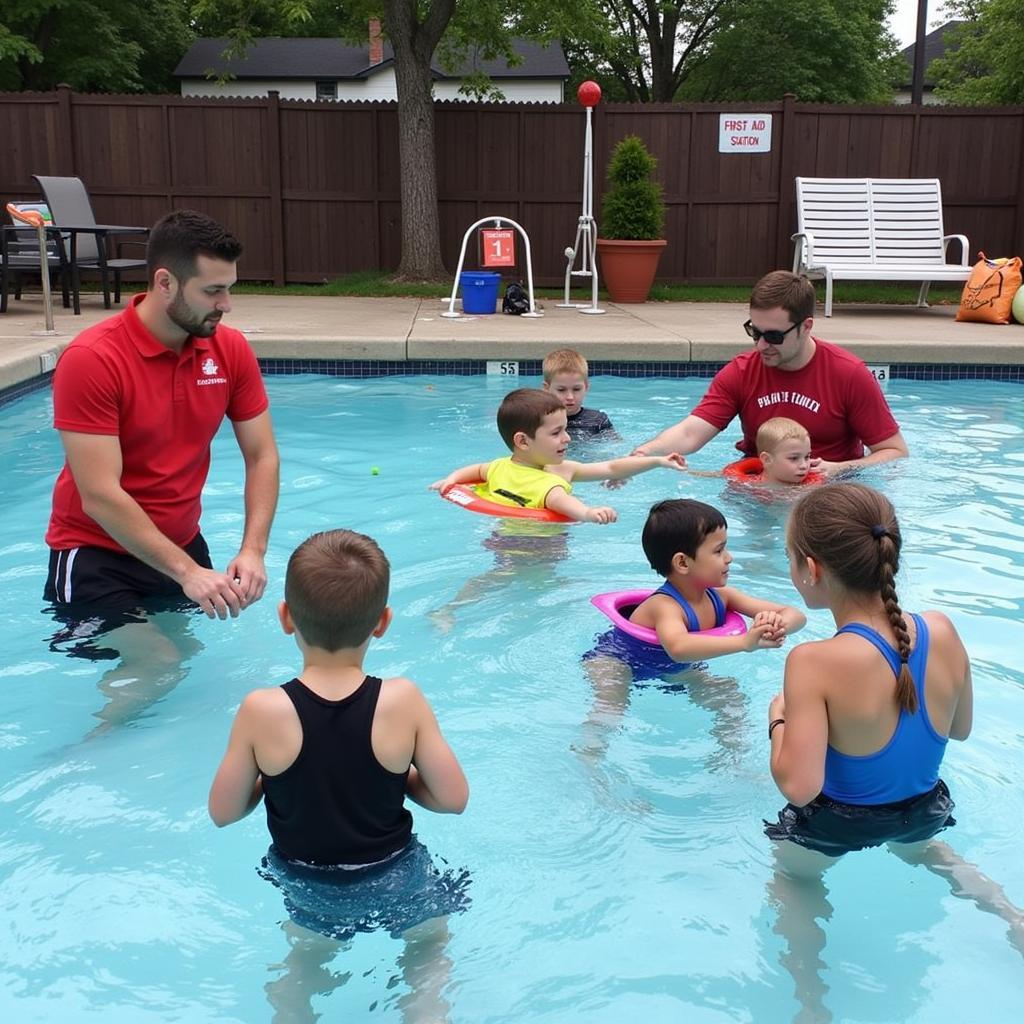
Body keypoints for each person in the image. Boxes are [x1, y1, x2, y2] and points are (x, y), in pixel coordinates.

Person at [764, 483, 1023, 1017]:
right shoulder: (941, 630)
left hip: (837, 822)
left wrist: (779, 718)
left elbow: (799, 784)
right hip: (924, 808)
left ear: (810, 569)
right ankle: (1011, 917)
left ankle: (811, 1004)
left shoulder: (814, 661)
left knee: (792, 879)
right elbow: (963, 729)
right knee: (928, 849)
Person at [208, 529, 469, 1020]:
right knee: (429, 957)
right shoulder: (402, 700)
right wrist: (397, 778)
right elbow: (453, 798)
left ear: (285, 618)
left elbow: (224, 811)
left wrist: (274, 777)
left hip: (309, 882)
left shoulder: (261, 710)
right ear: (383, 623)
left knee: (302, 967)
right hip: (396, 874)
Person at [43, 209, 279, 627]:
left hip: (184, 546)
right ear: (165, 283)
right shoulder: (92, 360)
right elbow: (98, 495)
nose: (226, 305)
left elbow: (262, 456)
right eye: (213, 291)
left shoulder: (230, 350)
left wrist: (253, 550)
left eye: (229, 289)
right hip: (98, 556)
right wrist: (188, 573)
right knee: (156, 666)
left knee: (185, 663)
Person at [634, 271, 908, 477]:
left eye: (774, 336)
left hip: (829, 495)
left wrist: (840, 469)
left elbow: (895, 452)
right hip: (759, 487)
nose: (761, 345)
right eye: (755, 331)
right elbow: (690, 433)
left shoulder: (848, 374)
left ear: (806, 326)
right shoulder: (741, 371)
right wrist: (642, 454)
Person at [430, 388, 685, 524]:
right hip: (544, 548)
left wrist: (450, 480)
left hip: (501, 539)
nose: (568, 438)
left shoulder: (497, 467)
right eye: (556, 432)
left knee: (493, 578)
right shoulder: (555, 479)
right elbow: (560, 501)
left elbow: (612, 468)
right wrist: (588, 512)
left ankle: (452, 607)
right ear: (522, 441)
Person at [541, 347, 616, 440]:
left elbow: (616, 446)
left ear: (586, 387)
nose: (570, 397)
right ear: (546, 389)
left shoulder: (598, 420)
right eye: (561, 390)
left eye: (576, 389)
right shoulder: (539, 420)